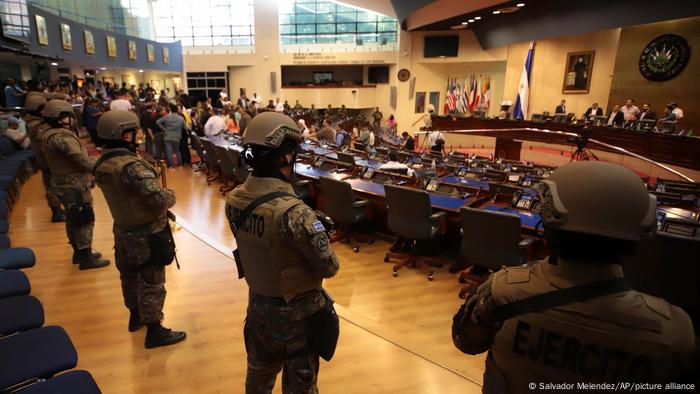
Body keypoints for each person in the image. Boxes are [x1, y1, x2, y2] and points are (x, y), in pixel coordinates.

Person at [452, 161, 695, 393]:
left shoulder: (501, 292)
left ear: (548, 227)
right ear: (637, 239)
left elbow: (465, 341)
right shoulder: (675, 332)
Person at [225, 112, 339, 393]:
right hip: (297, 322)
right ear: (285, 157)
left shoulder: (234, 199)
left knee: (258, 378)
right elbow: (329, 267)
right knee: (300, 386)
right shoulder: (297, 213)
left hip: (258, 310)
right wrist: (319, 233)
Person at [93, 110, 187, 349]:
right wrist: (171, 194)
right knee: (151, 280)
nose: (138, 136)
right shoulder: (132, 167)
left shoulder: (103, 163)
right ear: (125, 135)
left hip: (122, 228)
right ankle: (155, 331)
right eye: (134, 132)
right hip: (146, 234)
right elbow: (159, 198)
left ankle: (135, 317)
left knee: (128, 276)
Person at [40, 99, 110, 269]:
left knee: (73, 218)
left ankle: (80, 253)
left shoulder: (50, 133)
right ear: (62, 117)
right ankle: (85, 256)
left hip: (66, 184)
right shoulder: (61, 137)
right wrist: (103, 166)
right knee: (84, 218)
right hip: (74, 185)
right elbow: (80, 160)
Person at [23, 94, 65, 222]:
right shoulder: (39, 126)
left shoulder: (31, 122)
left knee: (50, 185)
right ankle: (56, 212)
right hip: (48, 160)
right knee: (52, 187)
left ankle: (58, 211)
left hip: (43, 159)